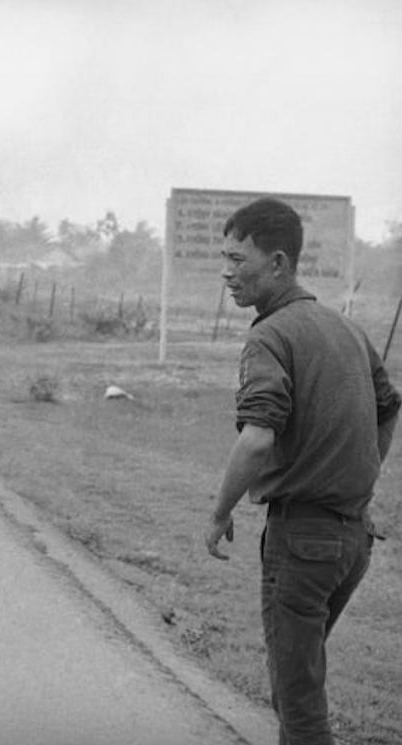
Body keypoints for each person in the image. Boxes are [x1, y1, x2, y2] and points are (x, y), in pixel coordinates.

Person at [203, 197, 399, 745]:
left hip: (305, 543)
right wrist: (358, 473)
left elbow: (258, 437)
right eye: (224, 258)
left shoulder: (270, 335)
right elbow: (388, 406)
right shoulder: (346, 329)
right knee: (296, 684)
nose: (227, 272)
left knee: (299, 701)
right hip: (353, 541)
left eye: (238, 260)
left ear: (279, 263)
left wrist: (220, 513)